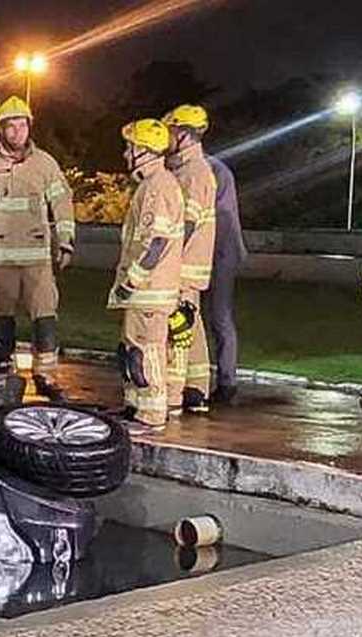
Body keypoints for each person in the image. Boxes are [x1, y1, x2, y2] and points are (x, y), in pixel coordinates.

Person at [0, 96, 76, 398]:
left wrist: (67, 242)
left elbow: (61, 201)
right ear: (0, 130)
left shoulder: (44, 163)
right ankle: (4, 374)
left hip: (37, 258)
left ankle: (46, 376)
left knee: (45, 315)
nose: (16, 132)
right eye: (10, 127)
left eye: (21, 125)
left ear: (29, 126)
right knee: (2, 319)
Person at [108, 118, 185, 434]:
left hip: (148, 291)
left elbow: (157, 243)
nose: (127, 154)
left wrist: (132, 281)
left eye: (131, 148)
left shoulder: (159, 187)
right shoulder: (150, 185)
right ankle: (135, 407)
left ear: (146, 151)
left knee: (147, 351)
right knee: (131, 350)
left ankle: (151, 415)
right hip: (143, 292)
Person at [162, 104, 217, 415]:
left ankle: (176, 391)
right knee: (190, 325)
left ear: (182, 134)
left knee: (178, 328)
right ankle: (196, 389)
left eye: (170, 132)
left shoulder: (194, 173)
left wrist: (164, 255)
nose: (166, 138)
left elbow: (188, 222)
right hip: (186, 264)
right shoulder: (183, 169)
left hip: (182, 264)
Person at [203, 154, 248, 404]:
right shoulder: (212, 168)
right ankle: (218, 380)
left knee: (220, 317)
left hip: (221, 251)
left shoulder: (211, 170)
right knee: (210, 317)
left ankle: (227, 381)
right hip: (216, 250)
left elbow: (217, 214)